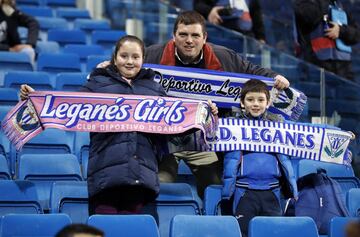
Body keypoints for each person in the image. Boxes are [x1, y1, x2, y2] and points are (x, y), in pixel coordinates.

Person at [97, 11, 289, 199]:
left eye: (195, 35)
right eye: (183, 35)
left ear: (204, 37)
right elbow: (128, 67)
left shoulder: (223, 56)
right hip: (165, 141)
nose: (189, 40)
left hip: (203, 141)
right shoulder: (153, 55)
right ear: (174, 36)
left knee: (216, 187)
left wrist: (274, 78)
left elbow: (251, 70)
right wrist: (109, 69)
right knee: (160, 185)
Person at [20, 35, 218, 215]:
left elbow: (177, 124)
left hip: (142, 175)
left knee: (132, 229)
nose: (130, 61)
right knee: (106, 227)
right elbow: (65, 105)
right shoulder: (97, 84)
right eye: (124, 56)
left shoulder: (155, 89)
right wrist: (34, 99)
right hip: (105, 174)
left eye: (135, 56)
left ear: (143, 59)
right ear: (115, 58)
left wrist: (206, 115)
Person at [221, 79, 298, 237]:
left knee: (272, 234)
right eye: (250, 100)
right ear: (242, 103)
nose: (256, 104)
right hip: (244, 192)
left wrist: (339, 136)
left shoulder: (279, 125)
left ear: (268, 103)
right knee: (243, 233)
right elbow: (207, 129)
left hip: (272, 192)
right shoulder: (231, 126)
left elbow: (310, 133)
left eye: (261, 100)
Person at [294, 0, 360, 80]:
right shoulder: (305, 3)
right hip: (316, 67)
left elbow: (357, 34)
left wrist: (341, 30)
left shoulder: (340, 5)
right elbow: (309, 17)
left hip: (344, 69)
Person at [193, 0, 266, 43]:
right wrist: (209, 11)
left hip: (247, 39)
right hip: (221, 35)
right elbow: (198, 5)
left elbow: (256, 14)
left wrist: (260, 37)